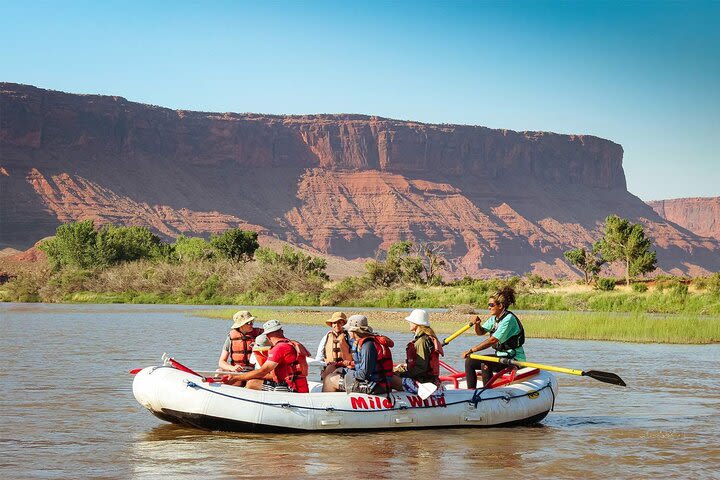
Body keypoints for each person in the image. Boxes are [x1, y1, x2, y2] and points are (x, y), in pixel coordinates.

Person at [461, 286, 526, 389]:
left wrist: (472, 350)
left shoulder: (508, 319)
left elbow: (493, 340)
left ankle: (487, 393)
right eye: (488, 305)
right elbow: (481, 332)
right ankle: (471, 391)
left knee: (486, 363)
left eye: (491, 305)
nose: (489, 307)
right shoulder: (494, 319)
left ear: (500, 306)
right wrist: (477, 324)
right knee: (470, 361)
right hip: (500, 356)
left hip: (513, 358)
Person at [233, 319, 311, 393]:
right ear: (282, 331)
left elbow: (263, 371)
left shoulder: (279, 348)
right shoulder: (292, 343)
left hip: (290, 388)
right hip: (301, 386)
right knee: (254, 380)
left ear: (267, 336)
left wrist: (237, 378)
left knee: (252, 383)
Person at [323, 315, 394, 394]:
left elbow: (363, 374)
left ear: (354, 331)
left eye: (348, 330)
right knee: (334, 374)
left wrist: (345, 371)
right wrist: (342, 370)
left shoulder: (367, 345)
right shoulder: (360, 343)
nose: (347, 332)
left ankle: (325, 405)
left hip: (376, 385)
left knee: (330, 380)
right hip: (370, 381)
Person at [390, 309, 444, 394]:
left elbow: (421, 368)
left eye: (411, 321)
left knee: (389, 378)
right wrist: (402, 369)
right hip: (428, 381)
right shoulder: (425, 338)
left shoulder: (421, 341)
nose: (409, 323)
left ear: (416, 324)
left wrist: (402, 374)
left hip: (424, 385)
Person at [217, 310, 263, 385]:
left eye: (252, 321)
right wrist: (232, 368)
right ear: (240, 325)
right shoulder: (231, 337)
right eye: (248, 323)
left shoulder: (260, 335)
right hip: (237, 371)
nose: (251, 324)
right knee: (219, 372)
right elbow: (221, 362)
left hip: (254, 371)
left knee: (248, 383)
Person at [315, 311, 353, 379]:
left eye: (340, 322)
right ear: (332, 324)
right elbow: (319, 356)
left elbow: (356, 355)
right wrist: (322, 371)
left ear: (344, 323)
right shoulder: (326, 337)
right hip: (330, 369)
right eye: (334, 323)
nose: (337, 325)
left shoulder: (349, 337)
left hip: (346, 369)